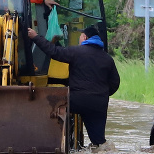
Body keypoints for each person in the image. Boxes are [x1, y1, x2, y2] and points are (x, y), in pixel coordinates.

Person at [27, 17, 120, 147]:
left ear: (85, 38)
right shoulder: (107, 58)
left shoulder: (76, 52)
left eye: (81, 36)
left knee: (53, 105)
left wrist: (36, 37)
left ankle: (57, 142)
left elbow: (54, 52)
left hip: (77, 100)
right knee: (99, 142)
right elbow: (115, 82)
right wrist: (102, 93)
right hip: (99, 103)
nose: (79, 39)